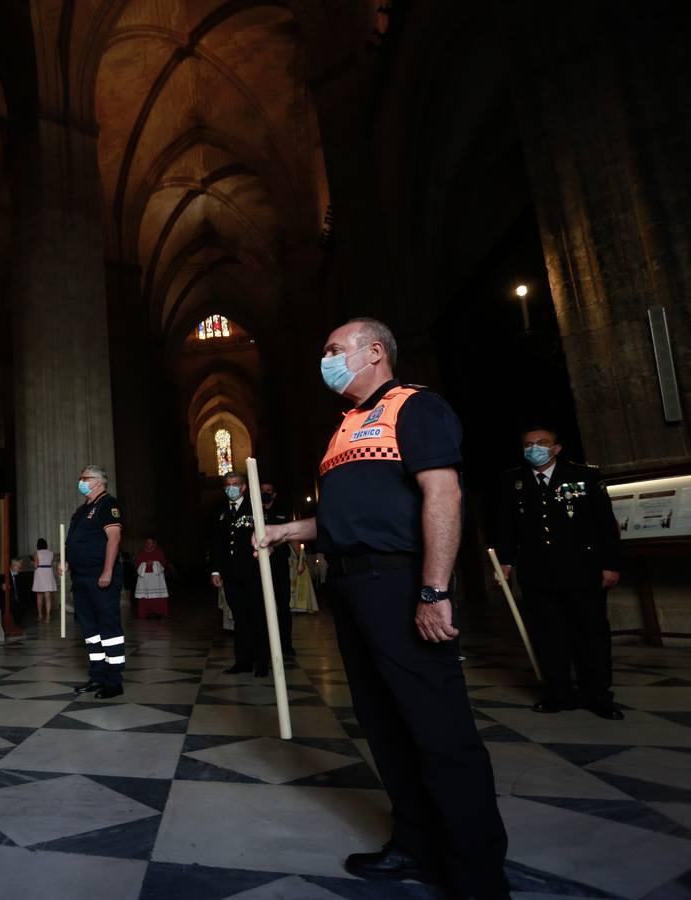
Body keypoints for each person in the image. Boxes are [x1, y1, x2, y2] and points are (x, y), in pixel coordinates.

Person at [257, 317, 508, 898]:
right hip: (351, 587)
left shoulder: (413, 407)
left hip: (399, 583)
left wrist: (434, 589)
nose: (325, 359)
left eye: (333, 349)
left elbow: (442, 494)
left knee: (439, 729)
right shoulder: (344, 427)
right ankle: (415, 844)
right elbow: (345, 520)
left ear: (374, 352)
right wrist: (285, 529)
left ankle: (475, 873)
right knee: (385, 725)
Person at [494, 425, 622, 719]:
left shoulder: (584, 476)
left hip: (583, 570)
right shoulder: (512, 480)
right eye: (528, 444)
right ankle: (557, 693)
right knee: (548, 636)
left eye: (541, 443)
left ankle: (598, 696)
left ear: (557, 448)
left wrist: (611, 564)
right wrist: (505, 561)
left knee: (590, 635)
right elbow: (506, 527)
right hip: (537, 572)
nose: (534, 449)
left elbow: (605, 524)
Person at [62, 465, 125, 699]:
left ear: (98, 482)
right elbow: (72, 542)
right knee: (90, 630)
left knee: (108, 628)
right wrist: (67, 562)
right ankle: (97, 675)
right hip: (80, 577)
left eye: (84, 478)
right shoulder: (81, 511)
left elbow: (114, 539)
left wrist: (107, 571)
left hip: (100, 576)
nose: (81, 482)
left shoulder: (109, 505)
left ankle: (113, 680)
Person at [208, 472, 269, 677]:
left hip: (253, 573)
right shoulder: (220, 511)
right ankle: (242, 660)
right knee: (239, 618)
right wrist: (215, 570)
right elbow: (216, 543)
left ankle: (261, 662)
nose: (230, 488)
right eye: (227, 485)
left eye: (234, 484)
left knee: (256, 617)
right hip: (231, 574)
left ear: (243, 487)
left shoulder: (254, 508)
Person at [260, 482, 297, 659]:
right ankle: (265, 646)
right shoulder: (253, 513)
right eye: (261, 491)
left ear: (273, 494)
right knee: (262, 607)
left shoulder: (283, 511)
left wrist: (300, 559)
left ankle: (286, 644)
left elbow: (292, 536)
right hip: (259, 567)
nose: (265, 494)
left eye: (268, 491)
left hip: (280, 566)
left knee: (283, 606)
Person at [133, 537, 170, 619]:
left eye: (150, 542)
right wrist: (145, 564)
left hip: (157, 578)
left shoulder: (159, 552)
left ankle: (158, 612)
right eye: (147, 542)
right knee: (144, 596)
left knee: (158, 596)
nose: (148, 544)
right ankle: (146, 612)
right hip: (144, 577)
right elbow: (136, 564)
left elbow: (163, 562)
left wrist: (154, 563)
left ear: (154, 544)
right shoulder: (141, 553)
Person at [31, 537, 56, 623]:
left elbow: (35, 566)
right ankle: (48, 616)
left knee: (39, 596)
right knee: (48, 597)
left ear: (38, 545)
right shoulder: (51, 553)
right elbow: (50, 562)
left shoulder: (36, 553)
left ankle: (40, 615)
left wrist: (32, 562)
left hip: (40, 573)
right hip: (48, 572)